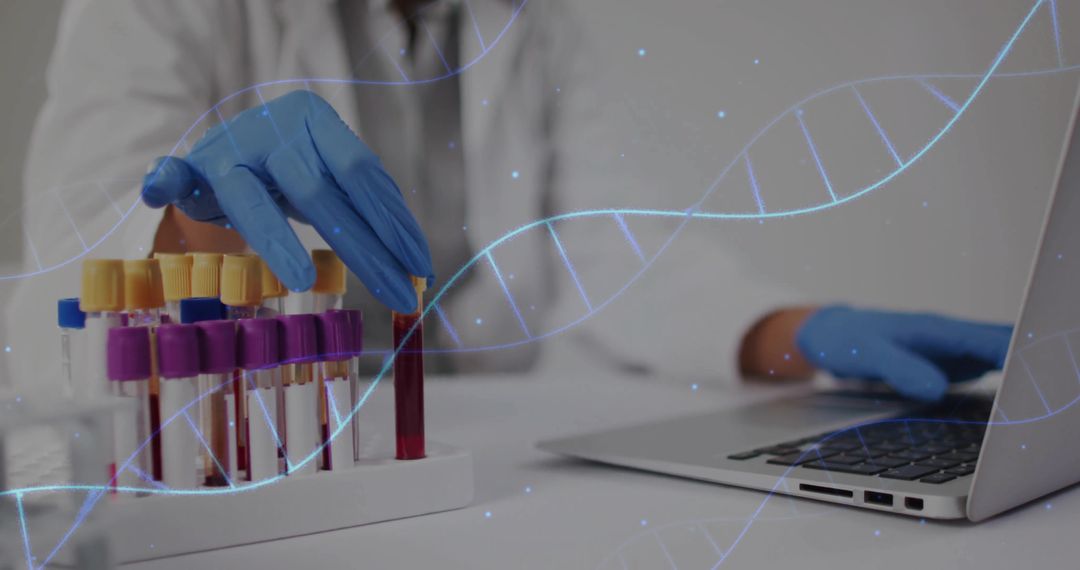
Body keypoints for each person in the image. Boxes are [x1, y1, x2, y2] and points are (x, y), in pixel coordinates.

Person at [13, 0, 1010, 402]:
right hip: (264, 447)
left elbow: (606, 244)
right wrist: (199, 222)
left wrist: (793, 332)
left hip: (475, 444)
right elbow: (58, 278)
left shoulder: (527, 21)